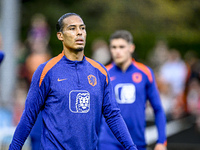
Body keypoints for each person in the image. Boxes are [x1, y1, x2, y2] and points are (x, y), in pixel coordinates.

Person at [9, 13, 137, 150]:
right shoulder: (46, 71)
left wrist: (131, 147)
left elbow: (113, 115)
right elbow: (29, 115)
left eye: (82, 28)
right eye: (72, 28)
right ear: (60, 36)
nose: (79, 33)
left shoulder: (100, 72)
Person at [98, 30, 167, 150]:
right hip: (108, 142)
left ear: (131, 48)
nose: (117, 51)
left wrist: (161, 141)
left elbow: (158, 109)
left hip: (137, 141)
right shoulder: (103, 73)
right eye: (114, 47)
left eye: (121, 47)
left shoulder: (145, 73)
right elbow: (96, 111)